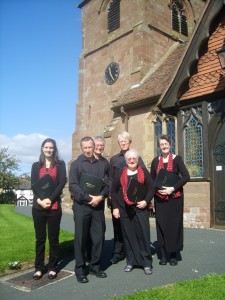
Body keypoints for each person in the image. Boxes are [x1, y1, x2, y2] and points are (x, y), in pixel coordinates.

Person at [69, 136, 109, 283]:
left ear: (94, 147)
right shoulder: (76, 165)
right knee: (81, 238)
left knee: (98, 237)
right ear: (82, 148)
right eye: (85, 148)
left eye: (90, 147)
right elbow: (73, 186)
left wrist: (100, 197)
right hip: (82, 207)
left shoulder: (102, 164)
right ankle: (80, 269)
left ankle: (95, 266)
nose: (87, 150)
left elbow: (107, 183)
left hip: (98, 206)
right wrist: (88, 198)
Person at [111, 149, 155, 274]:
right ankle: (130, 261)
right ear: (125, 161)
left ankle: (146, 263)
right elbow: (113, 191)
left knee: (143, 235)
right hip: (125, 210)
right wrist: (115, 207)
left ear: (138, 159)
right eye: (129, 159)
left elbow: (152, 187)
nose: (132, 160)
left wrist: (146, 201)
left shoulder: (143, 172)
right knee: (128, 236)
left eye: (134, 158)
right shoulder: (120, 173)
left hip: (141, 209)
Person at [150, 135, 190, 266]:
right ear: (159, 147)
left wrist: (172, 188)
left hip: (174, 199)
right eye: (161, 144)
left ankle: (173, 255)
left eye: (166, 143)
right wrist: (152, 195)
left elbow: (186, 176)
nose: (164, 146)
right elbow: (151, 181)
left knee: (174, 226)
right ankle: (162, 255)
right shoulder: (155, 161)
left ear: (170, 144)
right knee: (161, 225)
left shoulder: (177, 159)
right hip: (160, 199)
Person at [31, 138, 66, 280]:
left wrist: (50, 200)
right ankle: (39, 268)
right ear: (42, 148)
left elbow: (61, 183)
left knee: (53, 239)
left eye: (51, 147)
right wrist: (40, 200)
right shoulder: (35, 165)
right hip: (38, 207)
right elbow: (34, 184)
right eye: (46, 147)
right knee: (40, 239)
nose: (48, 150)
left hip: (54, 208)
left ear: (54, 149)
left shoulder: (60, 165)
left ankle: (52, 267)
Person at [108, 131, 146, 264]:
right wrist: (111, 200)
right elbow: (111, 180)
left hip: (134, 198)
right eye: (121, 141)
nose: (123, 143)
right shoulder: (114, 159)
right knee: (118, 227)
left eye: (126, 140)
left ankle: (137, 252)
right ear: (119, 143)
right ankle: (118, 253)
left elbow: (144, 176)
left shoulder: (136, 157)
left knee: (134, 227)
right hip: (118, 199)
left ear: (130, 142)